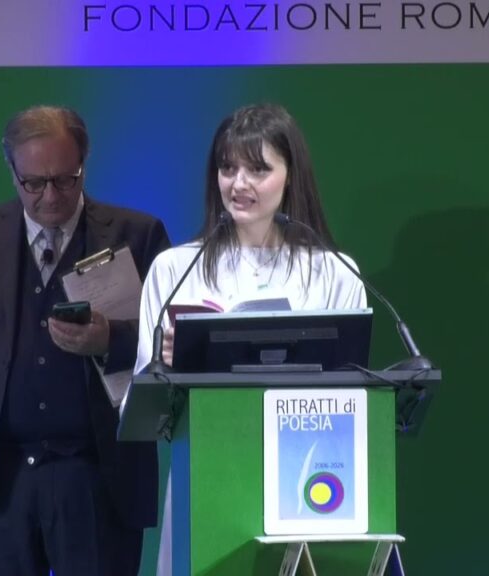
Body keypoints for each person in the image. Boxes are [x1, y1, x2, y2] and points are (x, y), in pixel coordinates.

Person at [0, 105, 171, 575]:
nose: (51, 196)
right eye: (34, 183)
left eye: (64, 180)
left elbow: (170, 346)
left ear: (84, 166)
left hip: (98, 479)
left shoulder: (138, 235)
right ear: (12, 173)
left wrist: (110, 339)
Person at [132, 103, 368, 575]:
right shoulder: (176, 271)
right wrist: (167, 369)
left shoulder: (335, 272)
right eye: (227, 168)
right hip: (206, 476)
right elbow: (145, 405)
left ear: (290, 176)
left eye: (258, 169)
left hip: (306, 482)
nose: (238, 184)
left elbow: (351, 398)